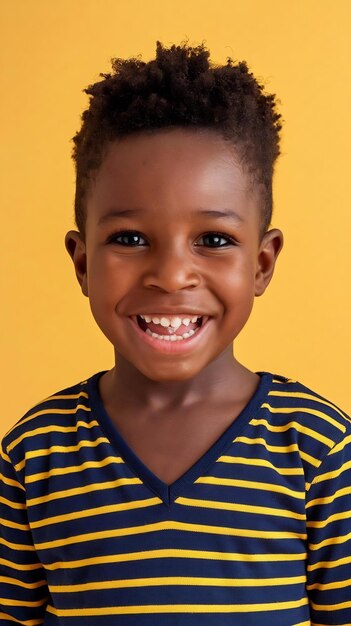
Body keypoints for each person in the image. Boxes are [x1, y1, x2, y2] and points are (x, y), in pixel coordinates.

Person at [1, 41, 350, 626]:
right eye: (130, 239)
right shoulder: (34, 456)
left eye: (213, 240)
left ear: (261, 263)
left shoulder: (318, 448)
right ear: (82, 262)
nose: (170, 276)